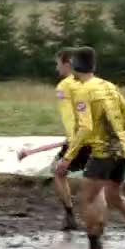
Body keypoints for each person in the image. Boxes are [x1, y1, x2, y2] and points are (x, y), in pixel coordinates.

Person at [54, 46, 125, 249]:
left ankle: (94, 248)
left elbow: (85, 127)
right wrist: (116, 132)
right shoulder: (109, 86)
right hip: (123, 150)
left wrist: (68, 157)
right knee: (115, 198)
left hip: (103, 152)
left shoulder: (83, 91)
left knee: (89, 198)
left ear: (75, 66)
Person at [51, 48, 89, 231]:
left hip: (79, 137)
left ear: (67, 63)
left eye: (58, 63)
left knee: (58, 170)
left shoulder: (64, 86)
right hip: (99, 137)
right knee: (97, 179)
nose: (56, 68)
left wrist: (72, 141)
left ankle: (69, 215)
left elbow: (69, 117)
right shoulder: (91, 81)